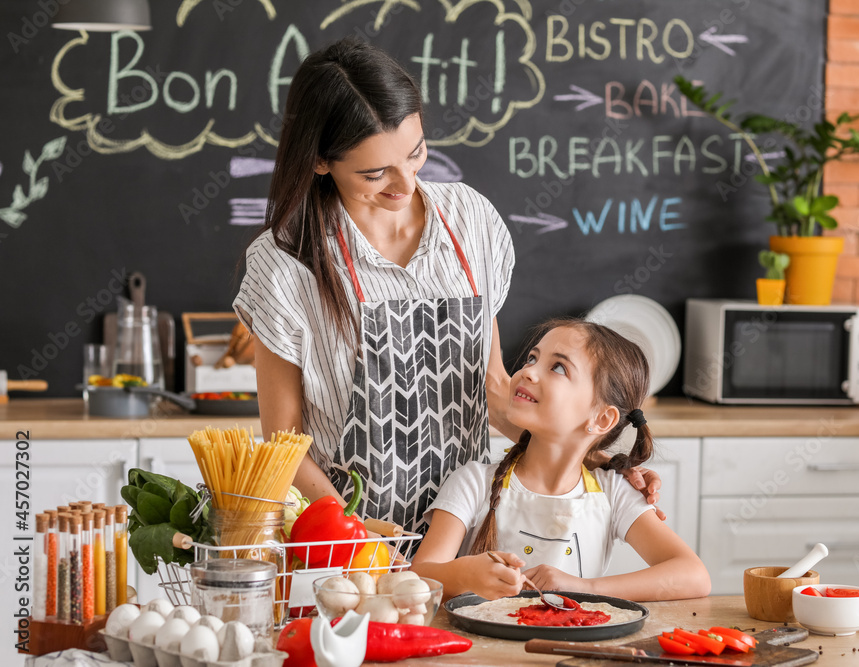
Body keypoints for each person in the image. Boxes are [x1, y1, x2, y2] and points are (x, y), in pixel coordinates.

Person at [234, 37, 662, 534]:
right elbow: (284, 441)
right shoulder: (285, 261)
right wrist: (353, 531)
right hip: (345, 547)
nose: (406, 184)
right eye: (376, 173)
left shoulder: (470, 220)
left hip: (468, 534)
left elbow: (496, 395)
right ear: (320, 161)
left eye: (416, 154)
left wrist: (598, 468)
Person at [410, 319, 711, 602]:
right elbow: (418, 576)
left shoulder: (613, 492)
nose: (527, 371)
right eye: (532, 358)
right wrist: (463, 576)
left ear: (602, 418)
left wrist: (584, 588)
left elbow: (694, 576)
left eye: (558, 367)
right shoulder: (472, 482)